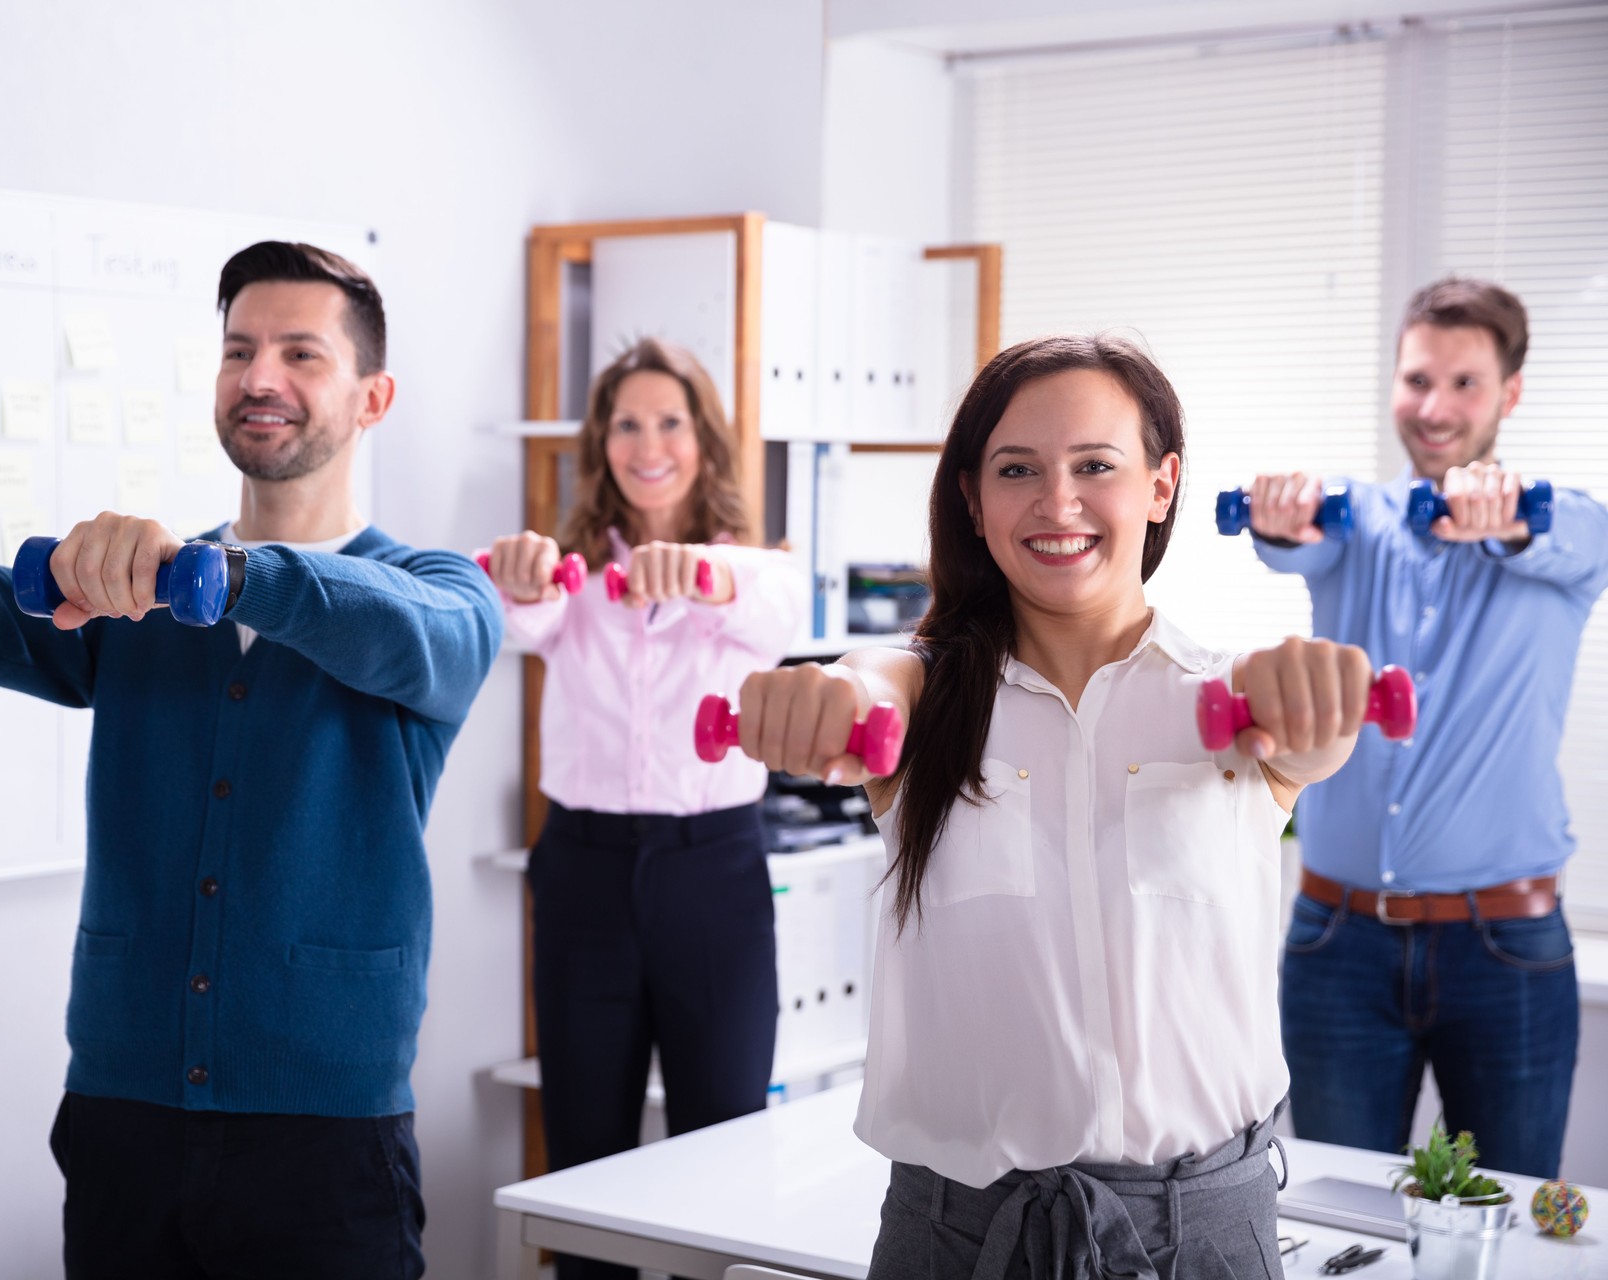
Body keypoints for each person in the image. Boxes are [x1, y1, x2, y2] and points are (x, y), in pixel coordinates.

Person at [0, 242, 501, 1278]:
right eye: (238, 349)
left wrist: (233, 577)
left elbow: (417, 632)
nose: (259, 377)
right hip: (122, 1113)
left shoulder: (434, 587)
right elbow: (6, 618)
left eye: (299, 354)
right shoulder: (145, 591)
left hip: (324, 1135)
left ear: (373, 397)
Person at [732, 333, 1374, 1277]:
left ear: (1161, 487)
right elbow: (870, 685)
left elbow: (1319, 738)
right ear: (974, 500)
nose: (1057, 501)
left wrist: (1318, 692)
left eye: (1096, 466)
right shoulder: (921, 695)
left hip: (1205, 1234)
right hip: (957, 1235)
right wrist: (830, 695)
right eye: (1018, 469)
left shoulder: (1237, 704)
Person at [1243, 277, 1608, 1178]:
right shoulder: (1356, 519)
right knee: (1334, 1219)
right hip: (1337, 943)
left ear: (1509, 394)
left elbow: (1575, 535)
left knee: (1506, 1224)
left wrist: (1506, 515)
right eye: (1416, 380)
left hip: (1507, 948)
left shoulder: (1569, 533)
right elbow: (1287, 538)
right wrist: (1277, 511)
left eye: (1464, 384)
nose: (1434, 408)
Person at [480, 338, 806, 1280]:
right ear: (601, 442)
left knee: (725, 1136)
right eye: (627, 423)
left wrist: (700, 573)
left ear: (703, 439)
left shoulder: (751, 568)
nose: (647, 443)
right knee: (587, 1155)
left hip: (713, 873)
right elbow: (521, 618)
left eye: (671, 421)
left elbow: (780, 607)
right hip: (583, 869)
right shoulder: (571, 573)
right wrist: (522, 571)